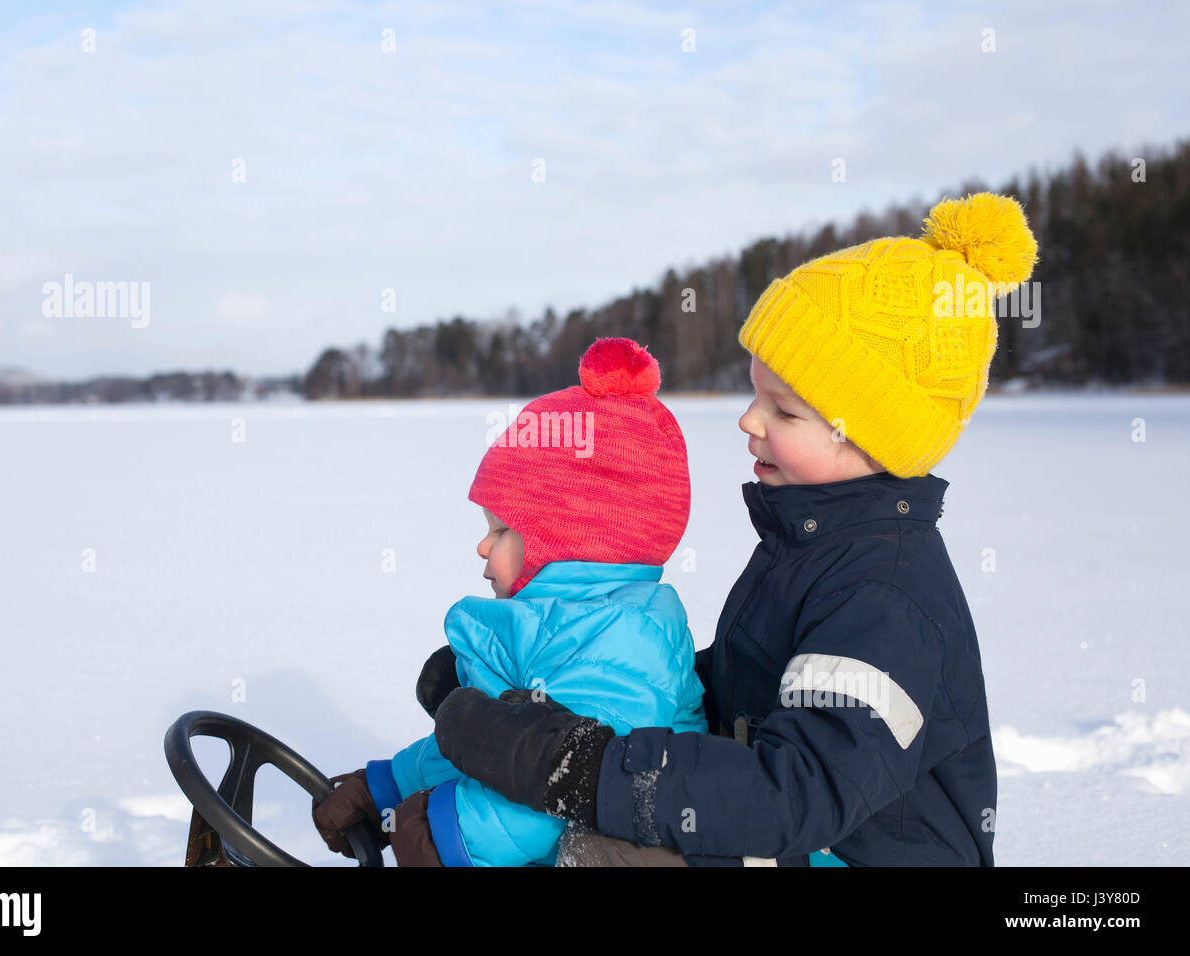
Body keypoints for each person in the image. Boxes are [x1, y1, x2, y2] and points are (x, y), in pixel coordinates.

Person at [429, 192, 1039, 866]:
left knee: (614, 854)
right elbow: (740, 694)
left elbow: (794, 795)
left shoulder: (883, 596)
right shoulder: (815, 547)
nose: (750, 422)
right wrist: (554, 686)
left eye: (784, 410)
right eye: (755, 395)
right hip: (806, 843)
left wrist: (571, 763)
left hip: (847, 851)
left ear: (874, 438)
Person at [311, 337, 708, 866]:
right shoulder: (553, 624)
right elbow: (496, 754)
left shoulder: (620, 641)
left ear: (566, 539)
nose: (482, 545)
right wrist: (386, 788)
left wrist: (449, 831)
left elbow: (560, 795)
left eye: (501, 530)